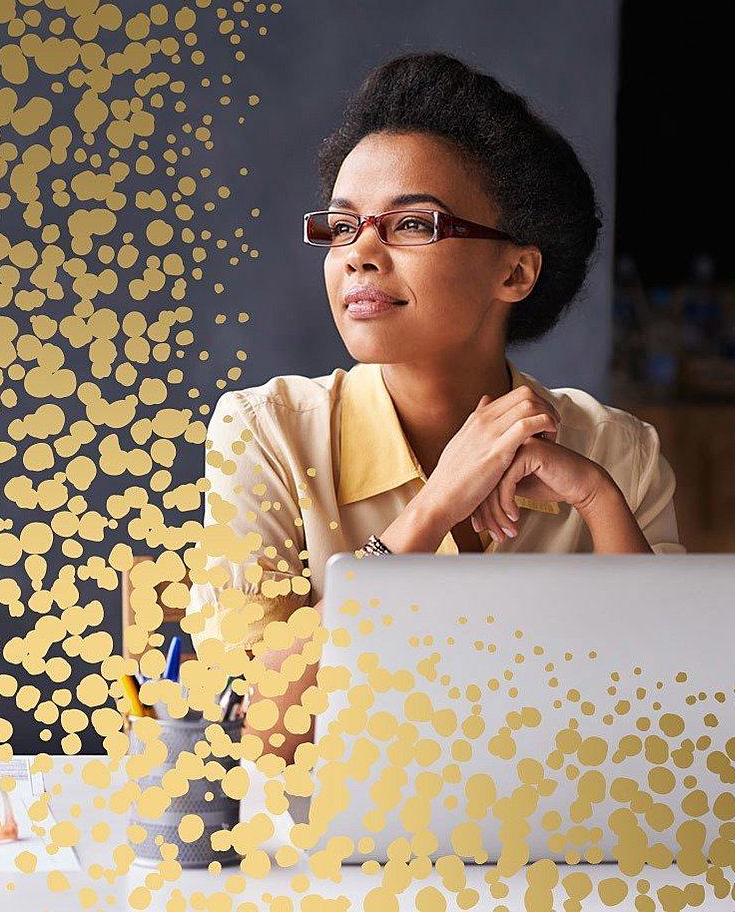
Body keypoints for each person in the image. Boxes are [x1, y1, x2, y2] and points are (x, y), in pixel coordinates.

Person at [185, 51, 685, 765]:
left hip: (559, 854)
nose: (359, 254)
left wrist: (600, 499)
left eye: (412, 225)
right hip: (330, 860)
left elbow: (671, 722)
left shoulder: (616, 451)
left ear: (514, 271)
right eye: (341, 226)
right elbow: (255, 730)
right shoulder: (267, 431)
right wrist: (430, 513)